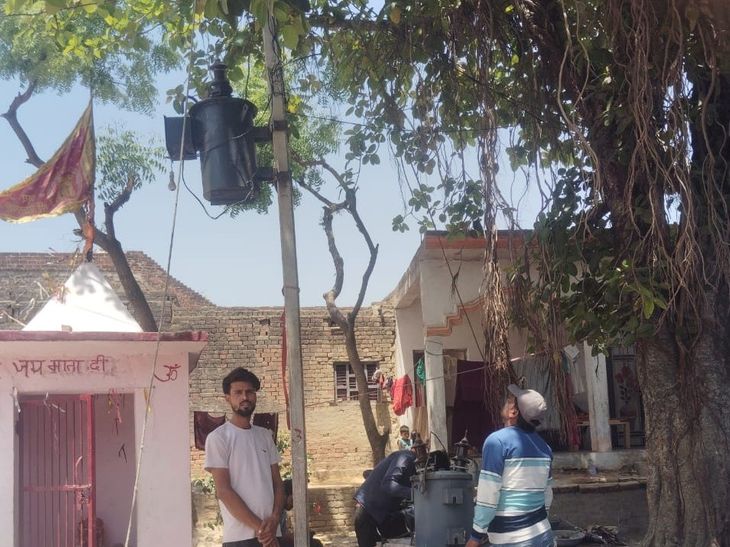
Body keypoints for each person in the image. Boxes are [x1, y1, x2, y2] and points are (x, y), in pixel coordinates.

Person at [465, 384, 555, 547]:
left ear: (513, 412)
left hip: (513, 539)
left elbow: (488, 494)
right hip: (544, 535)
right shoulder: (545, 448)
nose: (505, 402)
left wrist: (476, 536)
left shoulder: (497, 442)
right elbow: (547, 495)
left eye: (509, 401)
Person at [205, 367, 285, 547]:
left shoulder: (265, 435)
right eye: (238, 392)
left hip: (272, 533)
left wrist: (274, 519)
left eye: (249, 392)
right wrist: (262, 530)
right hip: (240, 538)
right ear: (228, 398)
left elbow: (278, 484)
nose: (245, 397)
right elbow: (223, 491)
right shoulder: (219, 438)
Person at [353, 447, 418, 547]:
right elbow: (388, 485)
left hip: (380, 514)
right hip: (367, 512)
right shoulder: (405, 457)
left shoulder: (409, 465)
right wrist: (417, 494)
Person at [279, 479, 323, 547]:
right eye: (292, 500)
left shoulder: (283, 513)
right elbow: (280, 537)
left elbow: (285, 533)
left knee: (315, 543)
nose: (293, 504)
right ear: (285, 495)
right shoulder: (275, 512)